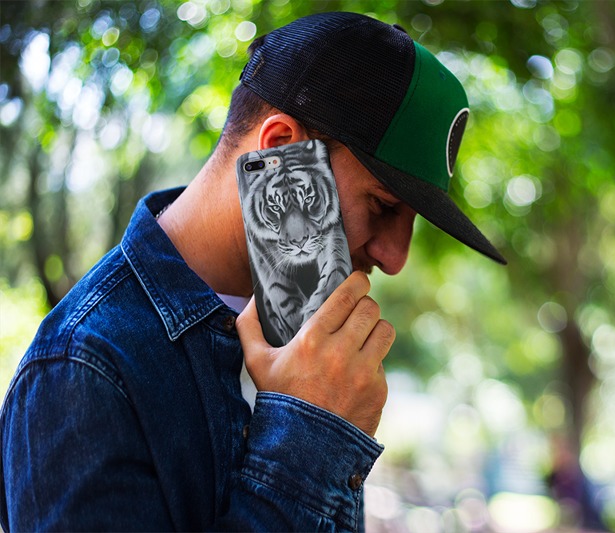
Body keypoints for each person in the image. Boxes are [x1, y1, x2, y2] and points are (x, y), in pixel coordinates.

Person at [0, 11, 506, 531]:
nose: (395, 258)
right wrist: (310, 433)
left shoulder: (308, 338)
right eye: (382, 205)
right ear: (281, 148)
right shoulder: (82, 369)